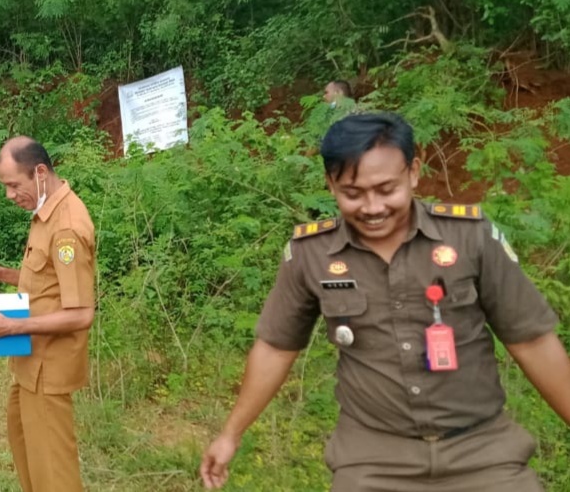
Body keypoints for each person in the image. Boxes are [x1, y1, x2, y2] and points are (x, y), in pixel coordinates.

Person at [200, 112, 570, 491]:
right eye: (353, 193)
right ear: (330, 184)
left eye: (386, 189)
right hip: (371, 458)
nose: (372, 207)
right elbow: (276, 348)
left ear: (413, 172)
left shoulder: (469, 237)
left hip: (483, 452)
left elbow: (532, 340)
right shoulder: (311, 253)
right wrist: (231, 434)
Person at [0, 136, 97, 492]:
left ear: (40, 172)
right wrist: (1, 273)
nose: (9, 195)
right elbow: (47, 280)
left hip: (48, 369)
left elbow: (82, 313)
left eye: (13, 185)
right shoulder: (45, 211)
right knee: (26, 449)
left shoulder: (67, 227)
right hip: (30, 364)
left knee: (54, 474)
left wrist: (12, 327)